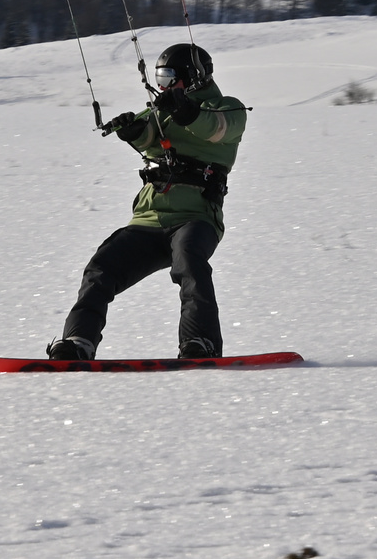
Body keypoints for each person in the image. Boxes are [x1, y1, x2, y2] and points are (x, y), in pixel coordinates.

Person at [48, 42, 247, 361]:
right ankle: (78, 341)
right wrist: (133, 130)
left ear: (193, 77)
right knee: (102, 266)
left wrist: (187, 112)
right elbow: (150, 136)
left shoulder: (228, 108)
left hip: (195, 218)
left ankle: (200, 343)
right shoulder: (163, 109)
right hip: (148, 220)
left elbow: (214, 129)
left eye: (169, 77)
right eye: (159, 77)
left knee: (189, 262)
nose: (162, 85)